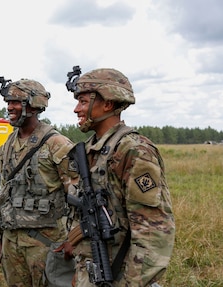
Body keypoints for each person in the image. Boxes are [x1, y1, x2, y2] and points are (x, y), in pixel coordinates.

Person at [63, 67, 175, 286]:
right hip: (90, 270)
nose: (76, 109)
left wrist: (133, 282)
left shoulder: (134, 151)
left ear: (107, 104)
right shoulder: (89, 150)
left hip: (119, 276)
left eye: (84, 102)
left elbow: (153, 231)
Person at [0, 77, 78, 287]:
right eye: (8, 102)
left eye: (16, 102)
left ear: (34, 106)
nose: (10, 107)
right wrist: (2, 240)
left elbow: (78, 195)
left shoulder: (56, 144)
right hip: (12, 242)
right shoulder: (9, 143)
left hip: (45, 243)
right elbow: (4, 193)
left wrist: (73, 240)